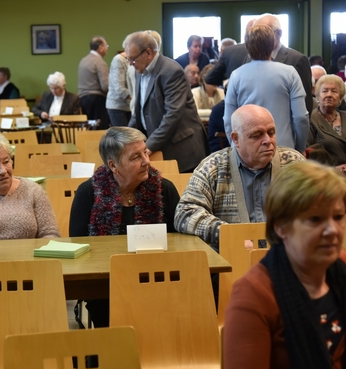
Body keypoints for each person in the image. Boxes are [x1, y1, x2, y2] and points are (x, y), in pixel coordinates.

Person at [224, 160, 346, 369]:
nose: (332, 229)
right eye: (315, 219)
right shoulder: (253, 295)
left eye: (338, 216)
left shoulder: (342, 268)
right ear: (281, 227)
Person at [69, 126, 180, 327]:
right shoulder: (88, 193)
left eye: (145, 152)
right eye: (136, 157)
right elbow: (79, 247)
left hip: (159, 279)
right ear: (113, 165)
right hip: (106, 285)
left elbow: (180, 242)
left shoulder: (164, 189)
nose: (147, 161)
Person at [175, 105, 305, 251]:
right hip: (233, 260)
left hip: (288, 258)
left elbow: (320, 207)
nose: (267, 140)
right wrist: (228, 235)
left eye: (271, 132)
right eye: (257, 135)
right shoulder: (213, 167)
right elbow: (185, 213)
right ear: (236, 139)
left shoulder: (294, 164)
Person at [125, 31, 208, 173]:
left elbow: (172, 115)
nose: (131, 64)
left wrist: (148, 146)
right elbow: (139, 111)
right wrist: (124, 138)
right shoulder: (141, 71)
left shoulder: (171, 71)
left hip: (182, 150)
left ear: (148, 53)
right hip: (161, 146)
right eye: (128, 59)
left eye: (133, 59)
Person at [224, 24, 309, 152]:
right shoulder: (290, 73)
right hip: (282, 150)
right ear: (273, 44)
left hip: (247, 151)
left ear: (247, 46)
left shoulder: (236, 75)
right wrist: (300, 148)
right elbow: (301, 117)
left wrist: (237, 146)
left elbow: (228, 120)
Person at [254, 14, 314, 115]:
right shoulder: (249, 58)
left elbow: (305, 104)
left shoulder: (297, 60)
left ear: (279, 34)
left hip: (284, 122)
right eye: (255, 34)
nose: (258, 38)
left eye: (264, 33)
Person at [308, 75, 346, 167]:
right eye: (325, 91)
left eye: (334, 91)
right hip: (325, 173)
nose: (329, 95)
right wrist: (334, 169)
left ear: (340, 97)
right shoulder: (310, 119)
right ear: (317, 96)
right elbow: (307, 153)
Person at [78, 36, 110, 128]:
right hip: (97, 100)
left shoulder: (83, 60)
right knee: (100, 129)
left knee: (89, 128)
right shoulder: (99, 62)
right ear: (101, 48)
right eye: (106, 46)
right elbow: (105, 86)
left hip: (83, 99)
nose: (107, 49)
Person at [106, 52, 132, 126]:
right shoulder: (119, 60)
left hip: (129, 107)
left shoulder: (133, 60)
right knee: (123, 133)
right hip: (117, 106)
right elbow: (119, 88)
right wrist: (136, 99)